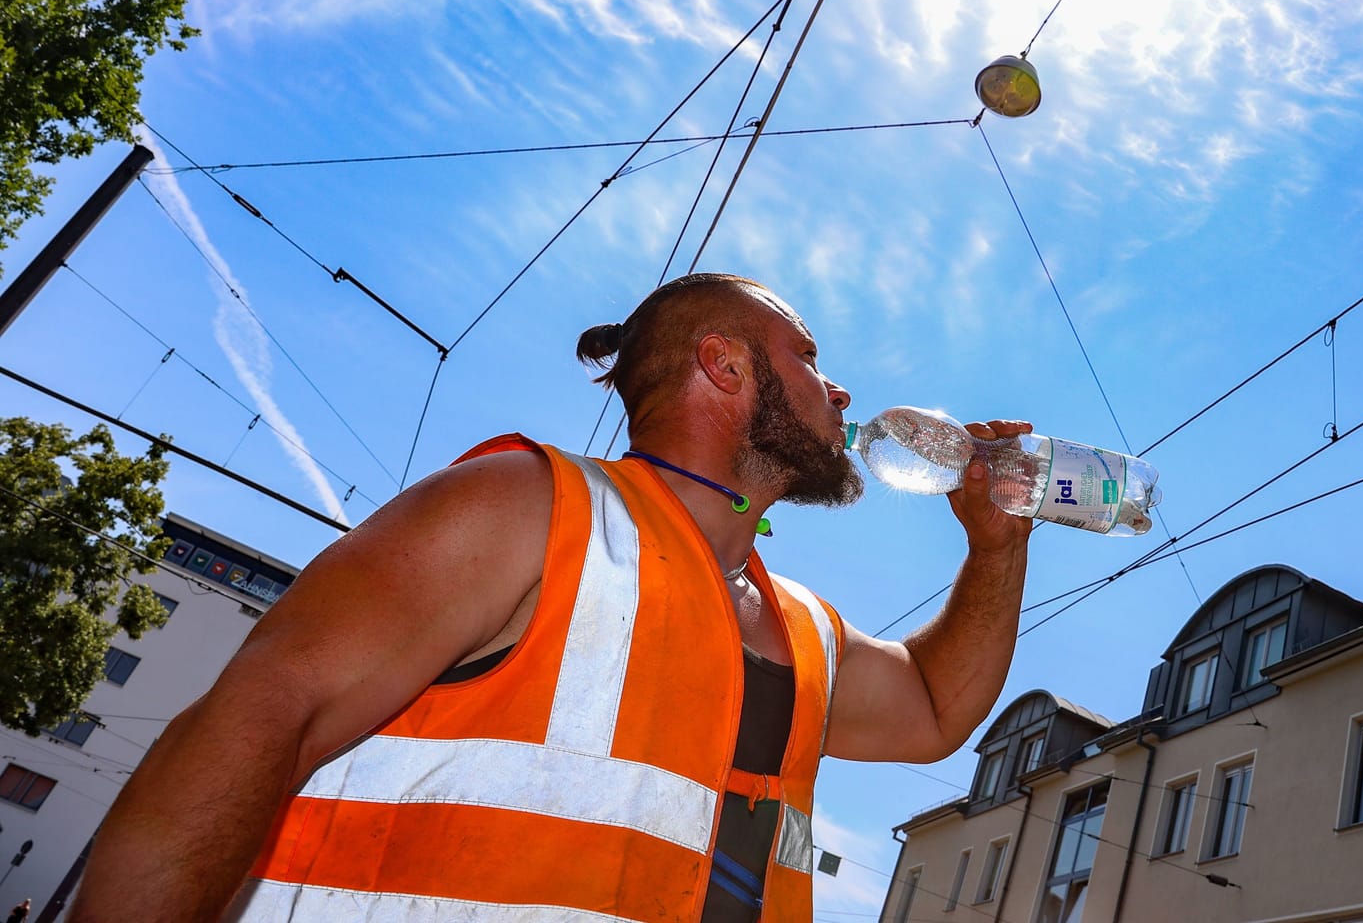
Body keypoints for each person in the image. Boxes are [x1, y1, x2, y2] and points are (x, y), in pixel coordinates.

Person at [68, 274, 1036, 922]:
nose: (840, 388)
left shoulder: (806, 632)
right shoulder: (528, 512)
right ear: (726, 367)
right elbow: (259, 715)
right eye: (809, 355)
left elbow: (935, 703)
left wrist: (995, 551)